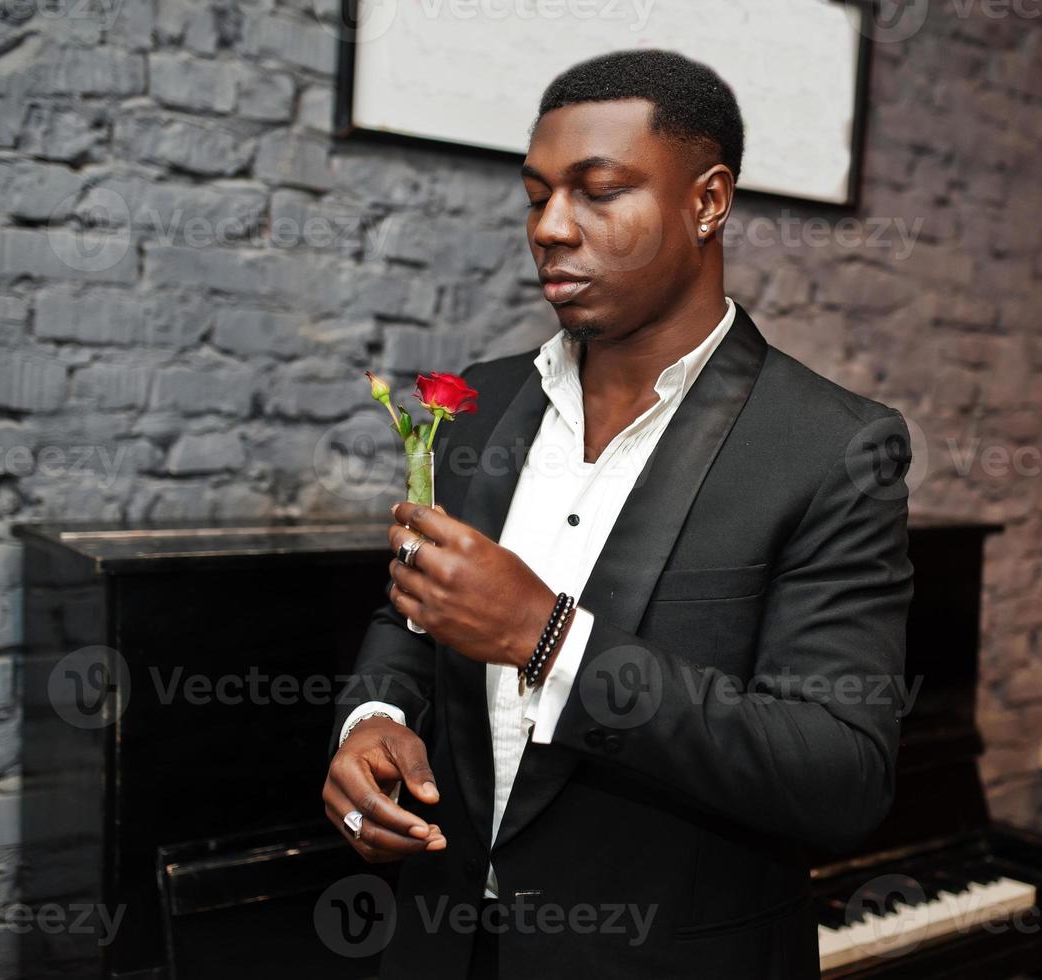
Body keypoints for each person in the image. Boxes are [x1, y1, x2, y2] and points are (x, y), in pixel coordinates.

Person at [323, 48, 914, 980]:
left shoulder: (832, 449)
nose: (551, 227)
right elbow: (408, 613)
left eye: (597, 191)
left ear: (707, 202)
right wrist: (374, 715)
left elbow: (837, 774)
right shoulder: (475, 405)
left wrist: (545, 637)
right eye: (537, 194)